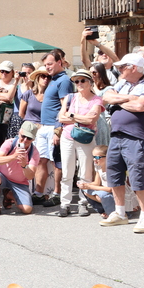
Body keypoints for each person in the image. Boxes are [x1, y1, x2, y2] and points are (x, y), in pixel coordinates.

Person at [99, 53, 144, 233]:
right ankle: (120, 212)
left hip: (135, 136)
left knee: (138, 176)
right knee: (114, 172)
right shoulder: (122, 83)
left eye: (123, 66)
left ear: (134, 68)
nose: (119, 69)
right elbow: (106, 96)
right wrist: (129, 98)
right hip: (116, 135)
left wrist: (118, 101)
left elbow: (141, 106)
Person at [57, 69, 103, 217]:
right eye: (76, 81)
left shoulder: (96, 99)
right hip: (67, 137)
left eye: (82, 80)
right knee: (67, 171)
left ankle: (84, 201)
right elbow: (60, 118)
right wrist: (80, 117)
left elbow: (91, 120)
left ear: (90, 82)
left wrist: (71, 115)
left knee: (86, 172)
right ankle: (65, 203)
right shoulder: (70, 97)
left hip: (86, 138)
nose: (79, 83)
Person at [35, 51, 74, 206]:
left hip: (54, 127)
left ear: (60, 62)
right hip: (44, 127)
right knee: (42, 160)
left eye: (50, 64)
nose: (47, 67)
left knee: (56, 162)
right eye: (45, 65)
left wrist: (58, 129)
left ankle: (57, 193)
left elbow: (66, 105)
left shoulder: (64, 80)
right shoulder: (53, 79)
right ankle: (39, 192)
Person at [0, 121, 40, 217]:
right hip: (2, 176)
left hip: (20, 183)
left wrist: (24, 166)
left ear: (33, 139)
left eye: (29, 138)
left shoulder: (34, 152)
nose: (25, 140)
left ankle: (9, 195)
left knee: (27, 210)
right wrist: (14, 156)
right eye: (23, 136)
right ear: (19, 133)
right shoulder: (9, 143)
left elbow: (30, 176)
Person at [78, 145, 116, 218]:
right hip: (106, 191)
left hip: (115, 194)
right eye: (93, 157)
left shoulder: (111, 170)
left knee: (103, 195)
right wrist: (85, 185)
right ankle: (103, 210)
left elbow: (111, 189)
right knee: (85, 190)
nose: (94, 160)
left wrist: (90, 186)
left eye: (98, 157)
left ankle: (113, 212)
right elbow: (97, 183)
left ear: (107, 157)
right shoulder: (98, 167)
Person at [0, 61, 18, 144]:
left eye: (7, 71)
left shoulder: (15, 83)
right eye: (2, 71)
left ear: (12, 72)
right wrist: (3, 95)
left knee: (6, 142)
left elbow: (9, 97)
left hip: (9, 118)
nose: (4, 73)